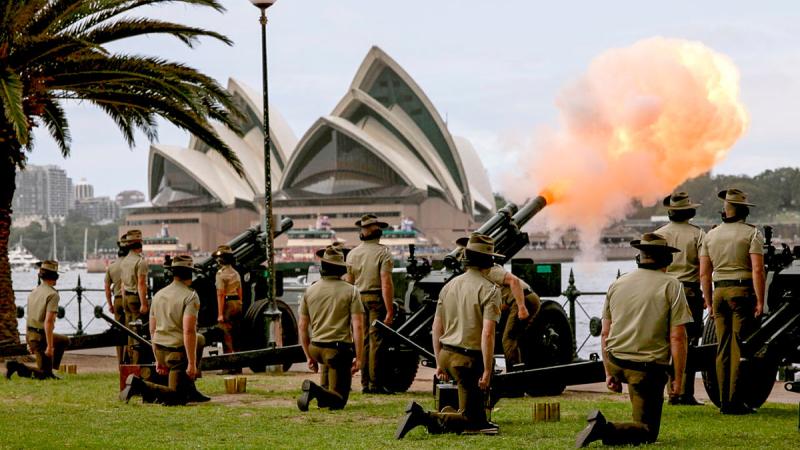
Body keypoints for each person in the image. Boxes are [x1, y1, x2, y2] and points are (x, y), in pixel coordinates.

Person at [576, 233, 692, 447]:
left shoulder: (617, 284)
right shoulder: (672, 285)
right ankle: (603, 428)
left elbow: (605, 333)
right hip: (646, 371)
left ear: (639, 258)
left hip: (617, 361)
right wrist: (677, 378)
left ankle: (625, 423)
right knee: (648, 433)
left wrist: (609, 372)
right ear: (667, 260)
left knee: (640, 410)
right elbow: (678, 337)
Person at [396, 234, 502, 438]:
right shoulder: (490, 290)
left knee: (476, 416)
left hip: (446, 354)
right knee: (473, 423)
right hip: (468, 361)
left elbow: (436, 327)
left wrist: (439, 362)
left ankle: (446, 416)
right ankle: (422, 417)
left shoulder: (448, 286)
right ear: (488, 262)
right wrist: (488, 370)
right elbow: (487, 334)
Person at [699, 188, 765, 415]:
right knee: (738, 348)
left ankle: (723, 401)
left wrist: (708, 300)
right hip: (742, 291)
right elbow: (757, 269)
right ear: (745, 211)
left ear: (724, 212)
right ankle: (735, 401)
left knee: (722, 348)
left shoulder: (711, 235)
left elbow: (704, 274)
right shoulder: (752, 234)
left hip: (719, 293)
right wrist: (760, 301)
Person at [119, 255, 209, 405]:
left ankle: (190, 388)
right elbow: (188, 331)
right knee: (178, 397)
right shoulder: (191, 296)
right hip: (177, 355)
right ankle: (139, 386)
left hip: (160, 351)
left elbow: (152, 330)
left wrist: (157, 359)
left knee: (200, 338)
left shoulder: (159, 295)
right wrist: (192, 364)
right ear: (190, 273)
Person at [297, 245, 365, 411]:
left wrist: (308, 356)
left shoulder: (310, 290)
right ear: (340, 268)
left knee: (328, 394)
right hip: (337, 351)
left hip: (316, 347)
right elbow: (358, 326)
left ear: (322, 267)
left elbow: (302, 327)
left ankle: (321, 394)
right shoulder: (351, 291)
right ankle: (314, 391)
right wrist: (360, 356)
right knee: (339, 401)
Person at [655, 192, 706, 406]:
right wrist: (706, 294)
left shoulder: (658, 234)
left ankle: (670, 390)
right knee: (689, 342)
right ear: (690, 212)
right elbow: (704, 269)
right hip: (689, 291)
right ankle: (684, 391)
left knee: (666, 341)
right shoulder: (698, 235)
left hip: (663, 290)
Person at [344, 214, 394, 394]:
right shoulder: (383, 252)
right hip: (375, 300)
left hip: (356, 299)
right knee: (376, 342)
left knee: (362, 341)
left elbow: (348, 284)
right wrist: (389, 310)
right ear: (378, 232)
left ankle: (365, 383)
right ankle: (375, 383)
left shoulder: (352, 254)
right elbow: (386, 282)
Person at [6, 260, 69, 380]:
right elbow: (49, 322)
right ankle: (15, 366)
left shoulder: (33, 292)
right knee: (43, 375)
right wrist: (50, 347)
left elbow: (29, 317)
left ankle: (49, 369)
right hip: (40, 338)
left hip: (32, 335)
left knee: (63, 340)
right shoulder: (53, 295)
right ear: (55, 276)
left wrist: (28, 340)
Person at [119, 229, 149, 363]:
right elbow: (141, 284)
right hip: (136, 299)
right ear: (140, 245)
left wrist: (125, 298)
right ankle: (136, 363)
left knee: (129, 331)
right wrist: (144, 303)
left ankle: (129, 360)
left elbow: (122, 284)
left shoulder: (124, 261)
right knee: (137, 332)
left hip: (126, 298)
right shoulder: (141, 262)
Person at [214, 245, 243, 356]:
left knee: (226, 334)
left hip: (228, 305)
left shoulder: (220, 274)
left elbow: (221, 294)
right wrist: (240, 303)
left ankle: (229, 363)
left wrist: (220, 314)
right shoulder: (236, 273)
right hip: (237, 303)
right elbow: (240, 291)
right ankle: (238, 364)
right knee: (237, 334)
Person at [104, 233, 129, 363]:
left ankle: (120, 360)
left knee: (119, 332)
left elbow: (107, 288)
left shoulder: (112, 267)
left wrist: (110, 305)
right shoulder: (131, 264)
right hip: (129, 299)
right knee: (132, 331)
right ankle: (129, 360)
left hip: (117, 300)